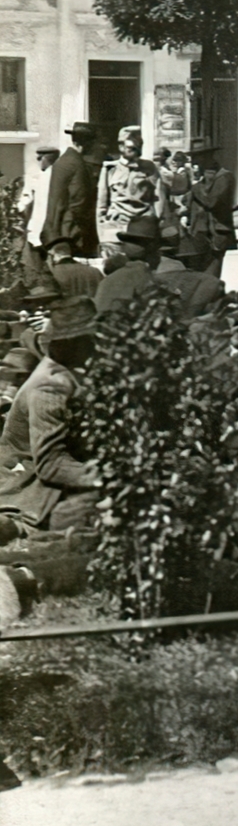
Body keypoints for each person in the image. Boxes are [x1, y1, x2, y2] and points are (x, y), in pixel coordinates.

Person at [0, 296, 101, 533]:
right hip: (31, 486)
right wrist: (112, 476)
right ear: (74, 343)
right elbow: (51, 465)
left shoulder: (68, 366)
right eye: (93, 340)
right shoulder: (49, 388)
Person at [96, 125, 161, 258]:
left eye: (138, 147)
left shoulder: (149, 168)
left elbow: (158, 198)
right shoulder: (110, 169)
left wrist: (154, 221)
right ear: (120, 147)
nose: (136, 151)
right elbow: (101, 204)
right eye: (131, 148)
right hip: (116, 228)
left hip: (142, 229)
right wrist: (102, 230)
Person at [40, 122, 100, 259]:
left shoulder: (63, 161)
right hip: (71, 235)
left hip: (55, 230)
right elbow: (79, 202)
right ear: (87, 143)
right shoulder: (78, 165)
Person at [184, 138, 236, 278]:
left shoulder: (224, 177)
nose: (194, 162)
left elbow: (212, 202)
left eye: (197, 158)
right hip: (199, 234)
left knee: (211, 278)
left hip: (215, 235)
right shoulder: (202, 180)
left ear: (207, 157)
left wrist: (195, 188)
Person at [17, 145, 58, 278]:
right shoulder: (59, 175)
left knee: (35, 267)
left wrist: (19, 208)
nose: (38, 162)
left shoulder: (36, 176)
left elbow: (25, 200)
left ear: (45, 158)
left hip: (37, 228)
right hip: (52, 230)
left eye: (39, 159)